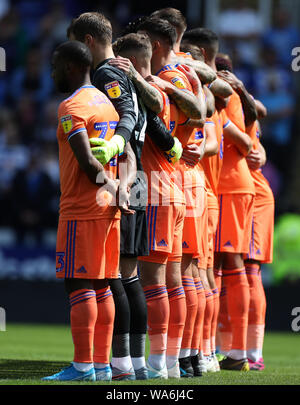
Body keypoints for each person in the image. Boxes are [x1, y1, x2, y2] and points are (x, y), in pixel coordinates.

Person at [67, 11, 182, 381]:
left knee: (112, 273)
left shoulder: (105, 74)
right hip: (138, 176)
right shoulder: (125, 73)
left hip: (122, 177)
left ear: (85, 42)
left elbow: (129, 115)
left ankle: (112, 365)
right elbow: (147, 114)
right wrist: (170, 143)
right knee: (128, 275)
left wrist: (117, 142)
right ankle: (131, 364)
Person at [42, 40, 127, 381]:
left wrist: (110, 184)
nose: (52, 72)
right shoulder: (106, 103)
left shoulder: (72, 107)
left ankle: (82, 367)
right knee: (103, 284)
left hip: (82, 207)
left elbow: (89, 164)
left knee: (78, 285)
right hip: (109, 210)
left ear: (71, 67)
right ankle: (102, 365)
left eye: (56, 66)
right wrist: (120, 188)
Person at [137, 16, 209, 378]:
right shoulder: (188, 75)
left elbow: (197, 116)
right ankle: (184, 359)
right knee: (183, 278)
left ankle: (163, 362)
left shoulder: (165, 80)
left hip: (164, 183)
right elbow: (204, 108)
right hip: (182, 185)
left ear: (158, 44)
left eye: (146, 42)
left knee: (158, 280)